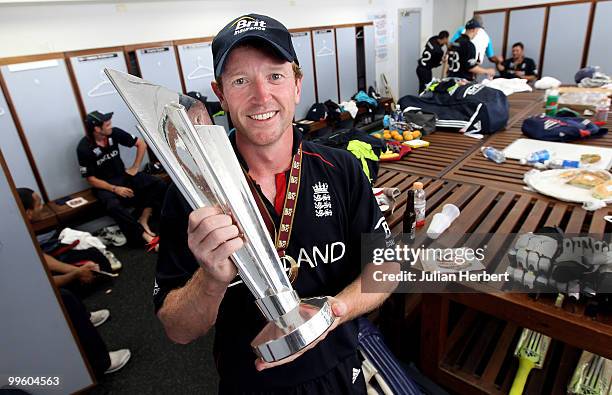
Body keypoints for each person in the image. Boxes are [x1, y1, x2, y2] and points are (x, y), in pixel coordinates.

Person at [154, 13, 397, 394]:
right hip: (251, 381)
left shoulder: (342, 169)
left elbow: (387, 267)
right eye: (240, 81)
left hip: (340, 370)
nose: (261, 96)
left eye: (275, 76)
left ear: (297, 85)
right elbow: (177, 330)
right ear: (221, 96)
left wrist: (336, 313)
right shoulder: (191, 193)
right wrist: (211, 279)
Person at [76, 111, 168, 249]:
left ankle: (144, 218)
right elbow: (91, 179)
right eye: (107, 125)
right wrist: (115, 189)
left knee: (158, 183)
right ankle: (145, 236)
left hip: (123, 176)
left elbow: (141, 144)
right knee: (113, 206)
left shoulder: (114, 133)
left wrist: (135, 167)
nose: (110, 127)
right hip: (104, 186)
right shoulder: (84, 148)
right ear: (97, 129)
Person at [17, 187, 115, 296]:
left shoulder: (22, 227)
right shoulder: (18, 239)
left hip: (43, 259)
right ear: (28, 213)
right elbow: (41, 274)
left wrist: (76, 270)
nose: (42, 207)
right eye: (39, 205)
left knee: (95, 256)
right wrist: (76, 272)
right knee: (72, 289)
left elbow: (40, 256)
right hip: (35, 280)